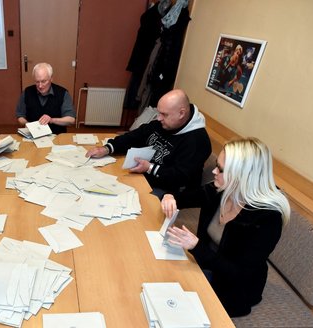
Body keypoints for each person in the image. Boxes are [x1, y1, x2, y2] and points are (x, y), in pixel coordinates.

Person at [160, 138, 290, 317]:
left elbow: (239, 274)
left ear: (242, 176)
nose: (214, 171)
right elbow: (184, 197)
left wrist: (197, 247)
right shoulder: (222, 188)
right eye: (216, 165)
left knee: (169, 304)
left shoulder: (267, 218)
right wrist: (170, 196)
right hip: (204, 263)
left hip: (233, 288)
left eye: (221, 169)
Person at [86, 89, 211, 198]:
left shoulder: (197, 141)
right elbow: (136, 135)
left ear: (181, 113)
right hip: (142, 175)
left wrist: (150, 168)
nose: (158, 118)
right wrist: (107, 148)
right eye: (159, 112)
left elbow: (179, 177)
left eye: (164, 114)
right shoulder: (165, 123)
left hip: (169, 192)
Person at [16, 62, 76, 134]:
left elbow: (71, 120)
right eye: (37, 82)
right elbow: (20, 116)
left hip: (56, 135)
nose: (40, 86)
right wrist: (28, 125)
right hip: (32, 135)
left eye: (43, 81)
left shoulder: (62, 93)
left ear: (51, 79)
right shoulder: (27, 92)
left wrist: (52, 120)